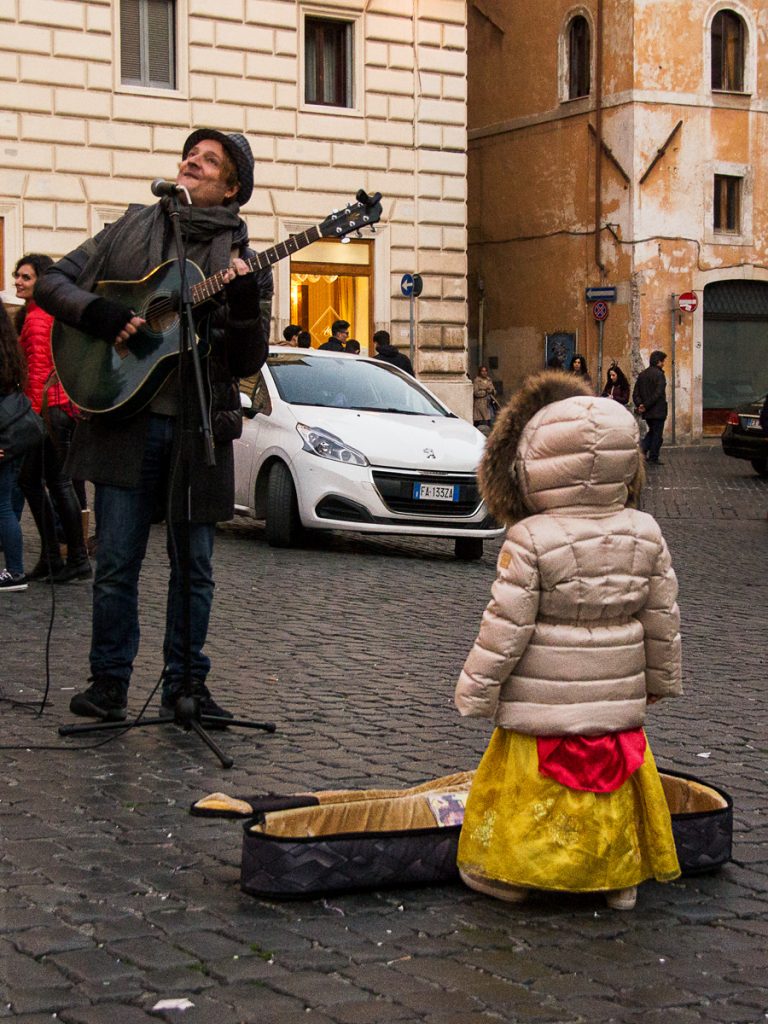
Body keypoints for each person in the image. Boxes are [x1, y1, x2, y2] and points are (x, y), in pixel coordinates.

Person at [35, 128, 273, 724]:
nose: (193, 162)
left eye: (209, 160)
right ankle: (109, 684)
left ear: (231, 187)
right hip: (123, 420)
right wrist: (104, 313)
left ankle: (186, 685)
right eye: (191, 154)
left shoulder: (242, 258)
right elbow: (50, 282)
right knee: (116, 561)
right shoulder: (132, 227)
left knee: (194, 568)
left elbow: (247, 361)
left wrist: (243, 305)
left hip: (198, 430)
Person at [455, 370, 682, 911]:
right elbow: (662, 618)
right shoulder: (645, 532)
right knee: (608, 791)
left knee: (535, 796)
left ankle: (513, 875)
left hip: (543, 705)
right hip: (616, 704)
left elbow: (504, 628)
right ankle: (617, 879)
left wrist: (477, 690)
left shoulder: (530, 538)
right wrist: (660, 682)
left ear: (533, 462)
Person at [14, 253, 91, 583]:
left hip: (48, 412)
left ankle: (71, 558)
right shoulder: (45, 314)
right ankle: (59, 557)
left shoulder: (37, 319)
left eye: (26, 277)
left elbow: (38, 373)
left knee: (52, 483)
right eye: (17, 276)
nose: (18, 281)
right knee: (42, 482)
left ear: (42, 283)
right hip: (57, 410)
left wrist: (31, 417)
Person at [0, 299, 29, 592]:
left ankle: (15, 571)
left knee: (2, 506)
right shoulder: (9, 348)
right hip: (11, 438)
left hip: (4, 440)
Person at [632, 350, 668, 465]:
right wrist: (645, 405)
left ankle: (643, 451)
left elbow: (635, 393)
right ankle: (652, 456)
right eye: (663, 361)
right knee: (657, 435)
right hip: (657, 411)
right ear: (658, 362)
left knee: (652, 432)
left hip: (647, 412)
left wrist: (640, 405)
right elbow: (658, 393)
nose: (663, 364)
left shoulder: (642, 375)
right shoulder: (660, 375)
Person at [472, 366, 497, 430]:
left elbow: (494, 391)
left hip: (489, 404)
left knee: (490, 421)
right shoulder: (477, 380)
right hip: (480, 404)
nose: (484, 372)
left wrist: (492, 391)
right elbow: (476, 393)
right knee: (478, 422)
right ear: (480, 372)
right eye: (482, 371)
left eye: (485, 371)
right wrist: (485, 392)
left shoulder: (489, 379)